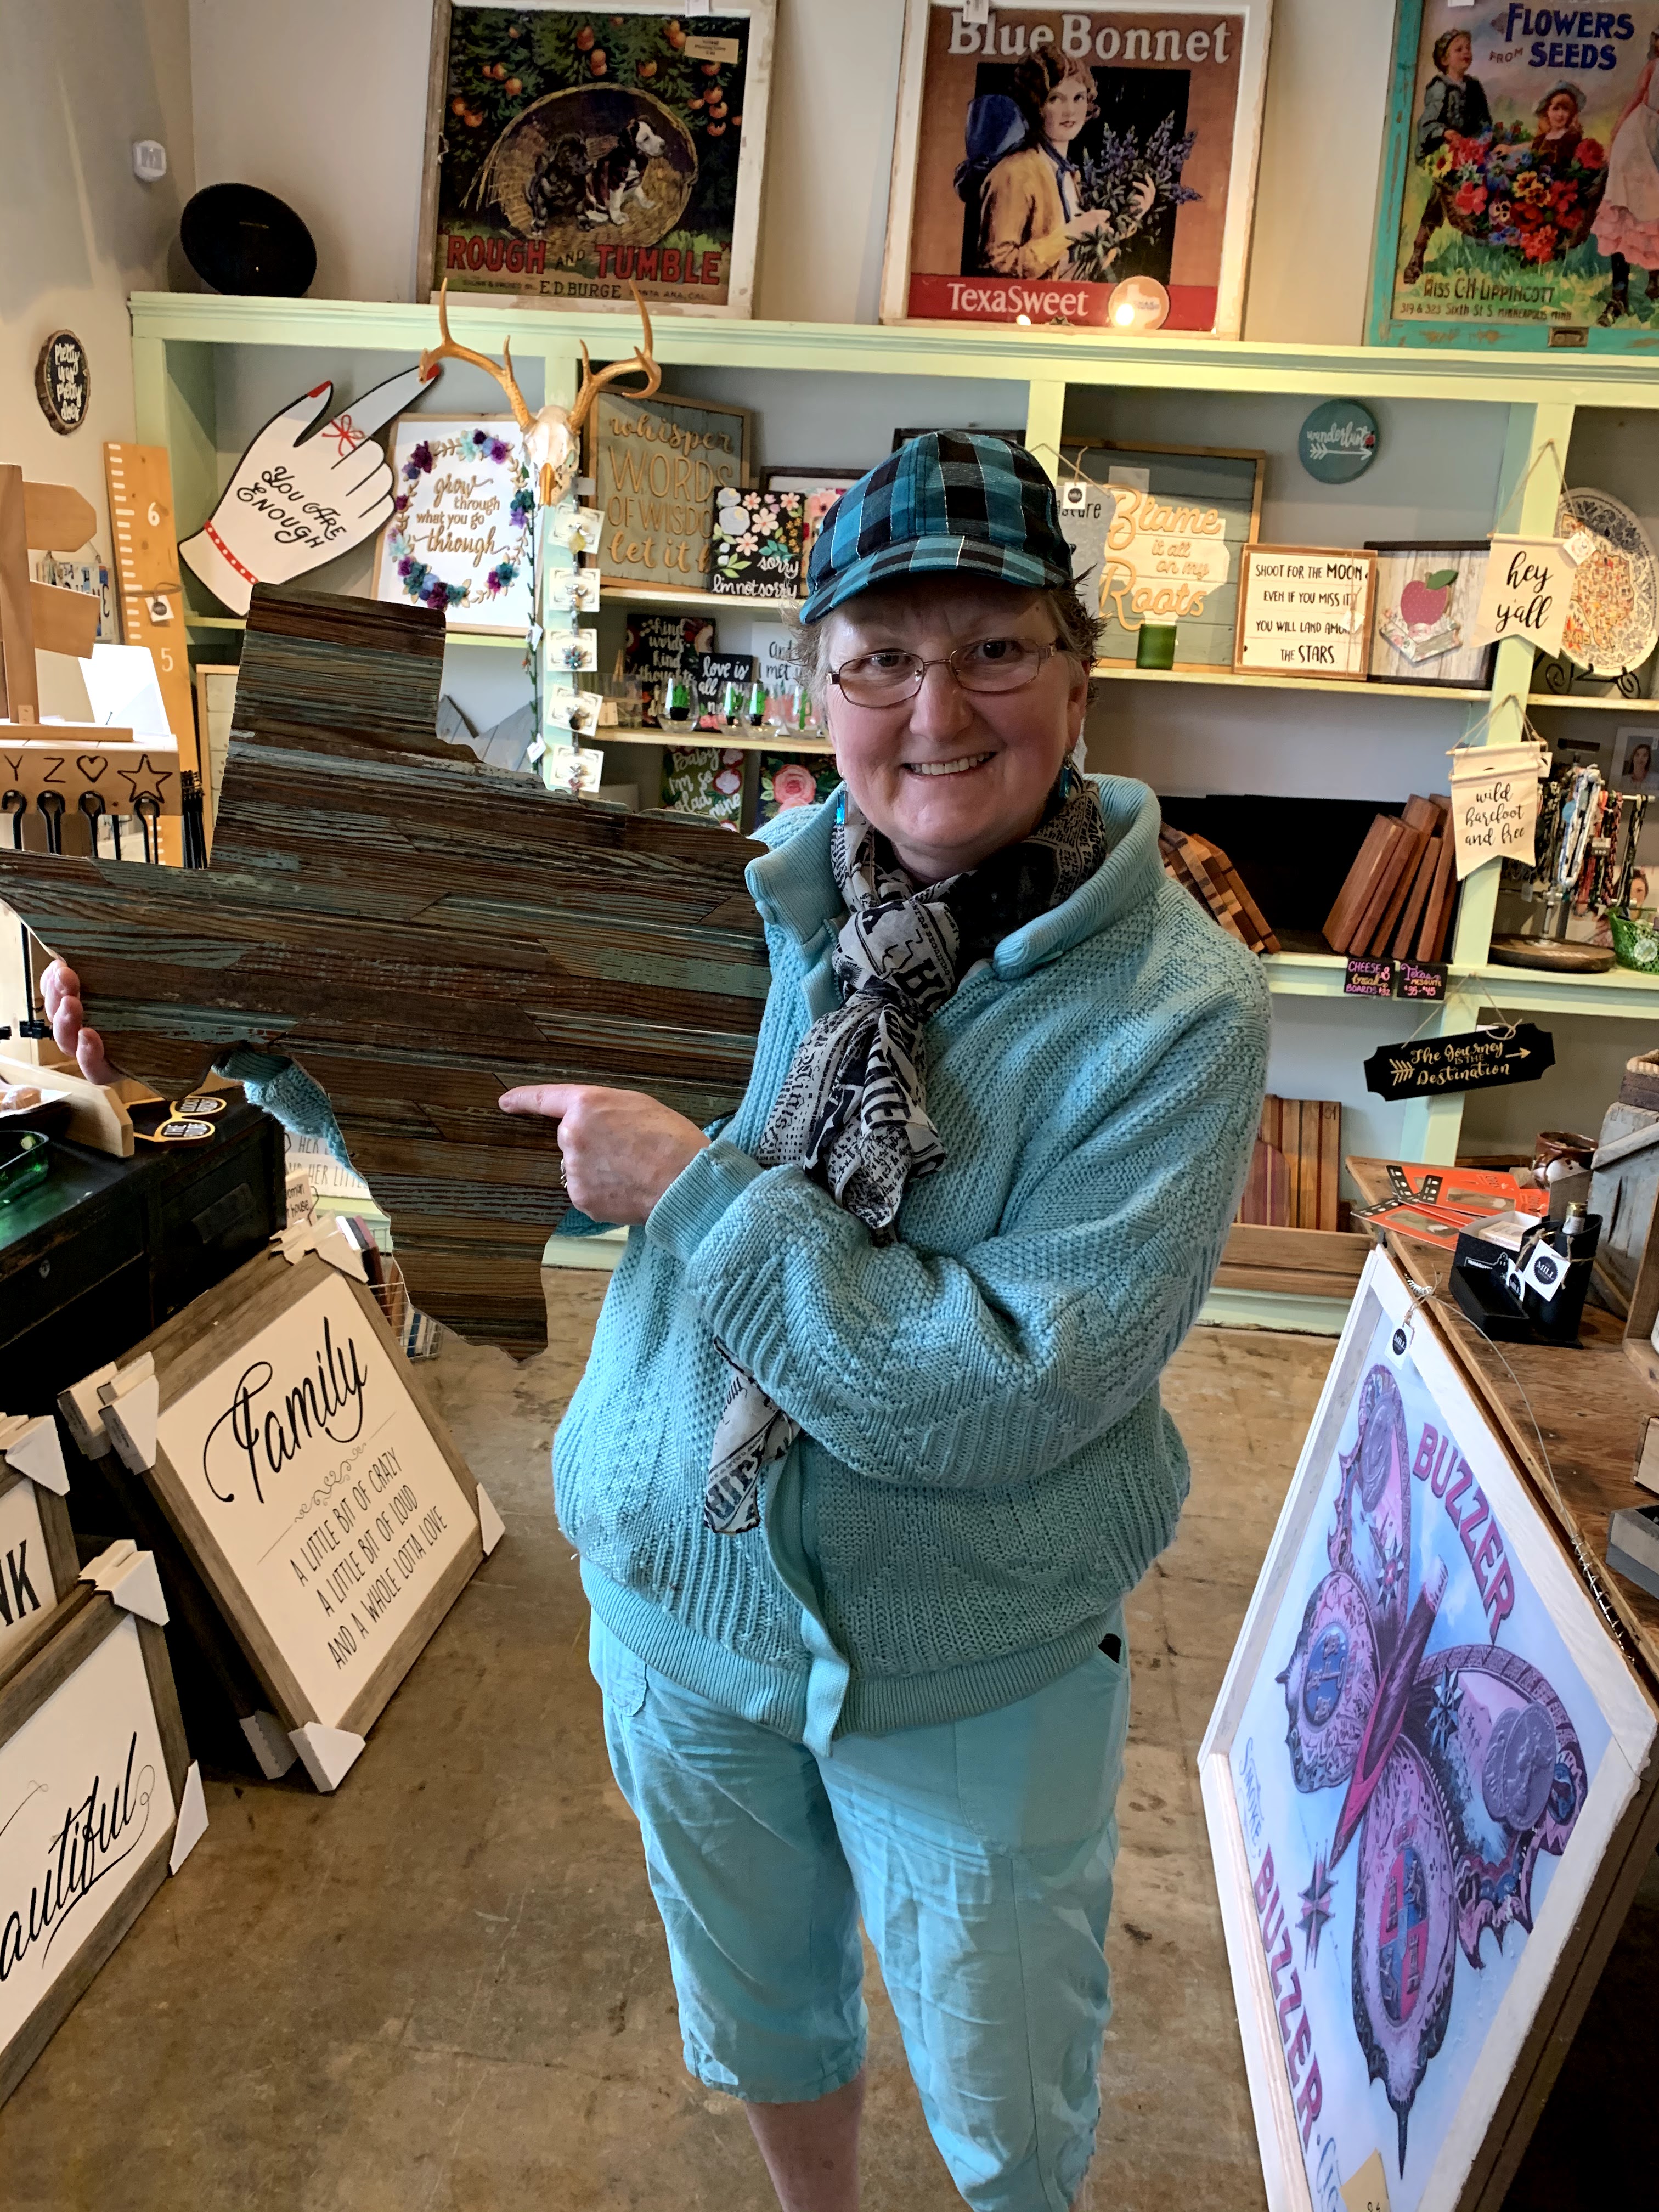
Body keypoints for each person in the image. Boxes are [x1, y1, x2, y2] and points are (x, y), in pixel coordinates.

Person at [46, 435, 1270, 2212]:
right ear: (818, 685)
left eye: (994, 649)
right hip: (680, 1606)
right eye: (880, 657)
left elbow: (1003, 1391)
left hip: (970, 1651)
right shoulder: (749, 898)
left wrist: (696, 1194)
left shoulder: (1178, 1011)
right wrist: (255, 1036)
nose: (936, 711)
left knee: (1007, 2091)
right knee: (762, 2004)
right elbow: (520, 1136)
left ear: (1078, 676)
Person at [976, 48, 1154, 282]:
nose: (1070, 110)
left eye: (1078, 98)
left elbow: (1075, 268)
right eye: (1055, 99)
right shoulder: (1015, 172)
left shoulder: (1068, 175)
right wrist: (1070, 233)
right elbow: (997, 265)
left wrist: (1128, 220)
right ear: (1036, 104)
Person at [1403, 29, 1493, 285]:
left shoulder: (1474, 87)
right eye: (1459, 49)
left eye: (1468, 48)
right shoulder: (1440, 88)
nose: (1466, 53)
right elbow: (1428, 124)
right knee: (1440, 196)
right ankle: (1417, 254)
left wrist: (1482, 140)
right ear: (1445, 59)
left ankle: (1483, 250)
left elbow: (1484, 120)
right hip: (1445, 154)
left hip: (1472, 154)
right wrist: (1446, 133)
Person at [1596, 30, 1659, 321]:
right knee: (1627, 210)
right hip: (1639, 140)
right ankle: (1619, 293)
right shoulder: (1654, 67)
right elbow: (1637, 96)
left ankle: (1655, 277)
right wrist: (1617, 129)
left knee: (1653, 212)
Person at [1531, 81, 1584, 172]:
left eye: (1566, 109)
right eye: (1555, 109)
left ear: (1571, 113)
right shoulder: (1540, 140)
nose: (1560, 114)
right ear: (1547, 112)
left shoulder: (1571, 138)